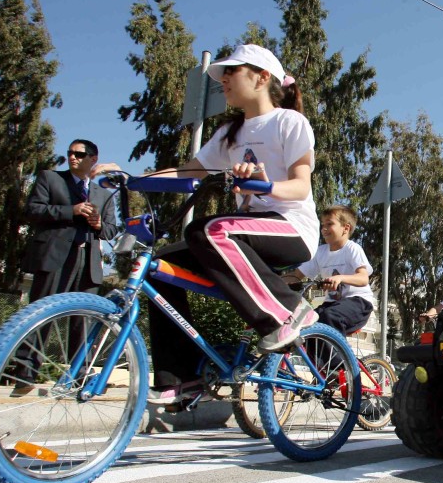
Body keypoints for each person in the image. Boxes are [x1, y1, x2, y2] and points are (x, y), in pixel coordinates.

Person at [100, 44, 319, 405]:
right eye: (223, 75)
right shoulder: (229, 134)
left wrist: (263, 185)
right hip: (241, 234)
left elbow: (300, 186)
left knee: (210, 228)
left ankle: (287, 312)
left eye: (233, 72)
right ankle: (183, 377)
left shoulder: (289, 122)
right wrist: (131, 178)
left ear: (263, 77)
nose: (225, 80)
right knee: (159, 268)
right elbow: (187, 172)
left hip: (291, 227)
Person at [11, 139, 119, 395]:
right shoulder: (50, 179)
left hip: (88, 261)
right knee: (42, 313)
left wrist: (98, 224)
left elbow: (112, 230)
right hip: (54, 257)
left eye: (79, 154)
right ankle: (25, 374)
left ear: (93, 159)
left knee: (83, 319)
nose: (72, 157)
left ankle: (78, 376)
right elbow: (33, 210)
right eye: (70, 153)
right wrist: (71, 210)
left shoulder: (104, 193)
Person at [292, 205, 374, 335]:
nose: (324, 229)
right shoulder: (320, 252)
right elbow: (296, 276)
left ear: (346, 228)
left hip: (358, 302)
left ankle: (337, 355)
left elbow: (363, 278)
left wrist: (340, 278)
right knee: (305, 322)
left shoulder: (352, 249)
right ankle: (314, 355)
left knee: (330, 316)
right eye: (322, 225)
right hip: (332, 303)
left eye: (329, 224)